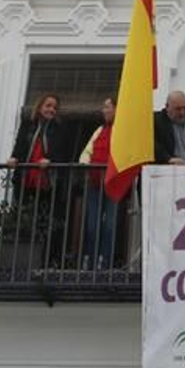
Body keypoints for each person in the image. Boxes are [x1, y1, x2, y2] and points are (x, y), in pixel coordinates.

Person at [5, 93, 77, 260]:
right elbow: (21, 144)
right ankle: (22, 258)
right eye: (48, 106)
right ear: (40, 107)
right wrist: (14, 157)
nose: (51, 110)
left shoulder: (60, 128)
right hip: (26, 178)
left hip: (47, 182)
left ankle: (44, 259)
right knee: (23, 217)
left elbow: (63, 153)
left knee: (45, 221)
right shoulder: (28, 124)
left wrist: (51, 160)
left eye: (54, 107)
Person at [78, 97, 119, 268]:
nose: (103, 110)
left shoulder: (123, 130)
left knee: (110, 225)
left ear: (117, 109)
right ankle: (90, 260)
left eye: (107, 107)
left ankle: (105, 262)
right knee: (92, 225)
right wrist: (85, 165)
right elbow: (87, 152)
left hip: (113, 185)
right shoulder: (99, 130)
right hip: (94, 184)